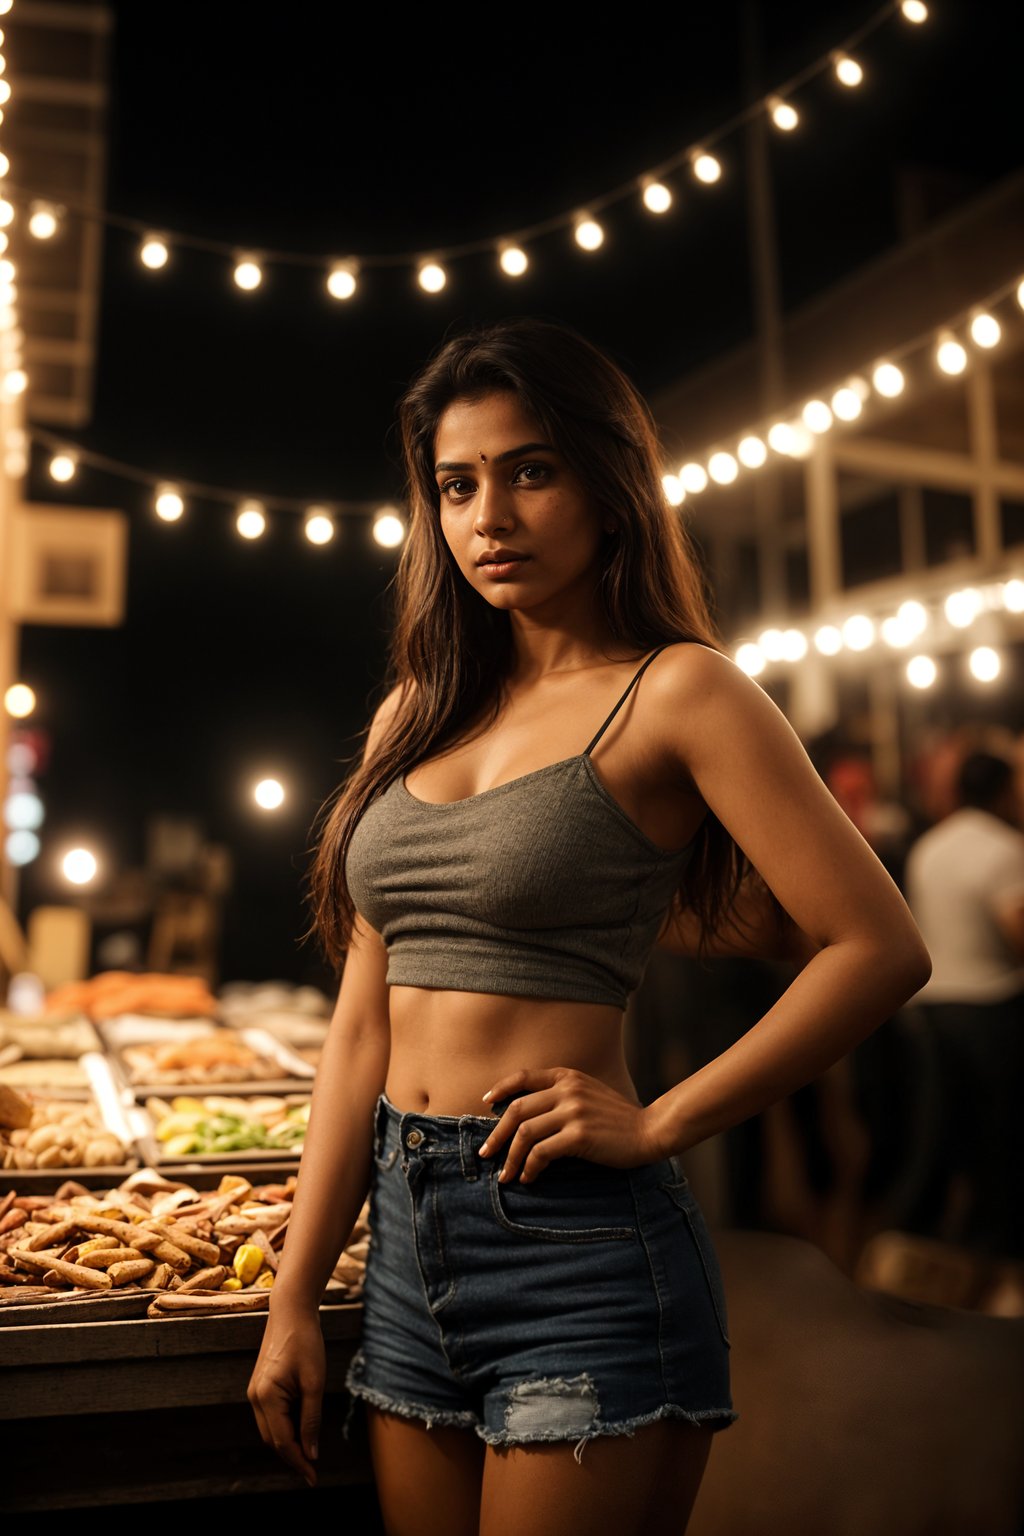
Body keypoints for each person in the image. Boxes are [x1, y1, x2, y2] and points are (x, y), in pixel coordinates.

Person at [247, 318, 931, 1536]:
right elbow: (359, 1030)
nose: (488, 517)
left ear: (610, 487)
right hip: (404, 1253)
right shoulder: (416, 708)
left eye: (531, 470)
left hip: (575, 1245)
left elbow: (879, 945)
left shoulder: (679, 690)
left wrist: (664, 1117)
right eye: (456, 485)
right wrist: (296, 1292)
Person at [903, 748, 1024, 1257]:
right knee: (999, 1135)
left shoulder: (929, 847)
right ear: (1002, 791)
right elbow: (1016, 929)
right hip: (991, 1007)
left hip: (932, 1007)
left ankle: (927, 1244)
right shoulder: (1006, 849)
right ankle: (996, 1250)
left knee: (943, 1130)